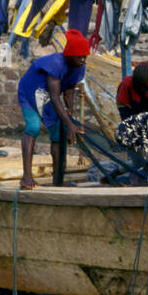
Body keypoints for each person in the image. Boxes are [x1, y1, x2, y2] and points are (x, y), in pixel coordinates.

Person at [18, 29, 89, 190]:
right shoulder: (56, 63)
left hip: (49, 97)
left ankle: (58, 180)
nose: (83, 59)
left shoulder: (80, 66)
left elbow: (69, 88)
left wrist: (70, 109)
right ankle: (26, 177)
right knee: (33, 127)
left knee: (57, 135)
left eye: (85, 56)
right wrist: (69, 123)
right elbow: (55, 95)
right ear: (70, 55)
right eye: (79, 56)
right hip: (30, 92)